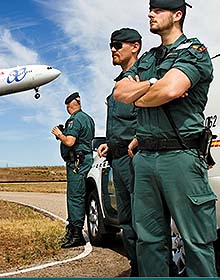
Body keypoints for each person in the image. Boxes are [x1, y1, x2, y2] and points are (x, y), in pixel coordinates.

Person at [113, 0, 217, 277]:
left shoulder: (195, 51)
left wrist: (146, 90)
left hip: (181, 155)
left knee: (195, 241)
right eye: (150, 9)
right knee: (149, 241)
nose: (150, 14)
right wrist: (154, 86)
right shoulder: (148, 58)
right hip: (145, 158)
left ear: (177, 15)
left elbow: (172, 89)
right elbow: (120, 92)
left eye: (158, 10)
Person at [97, 27, 142, 276]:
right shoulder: (118, 84)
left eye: (118, 45)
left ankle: (152, 269)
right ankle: (136, 267)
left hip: (134, 158)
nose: (113, 50)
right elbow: (121, 122)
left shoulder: (140, 78)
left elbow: (147, 115)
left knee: (141, 220)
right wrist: (107, 142)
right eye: (111, 46)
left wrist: (138, 138)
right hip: (117, 158)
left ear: (134, 46)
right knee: (126, 221)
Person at [51, 92, 95, 248]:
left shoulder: (74, 120)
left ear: (70, 106)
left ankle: (76, 235)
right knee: (79, 195)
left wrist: (59, 134)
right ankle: (72, 231)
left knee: (75, 197)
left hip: (77, 163)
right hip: (85, 159)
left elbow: (70, 141)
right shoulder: (88, 119)